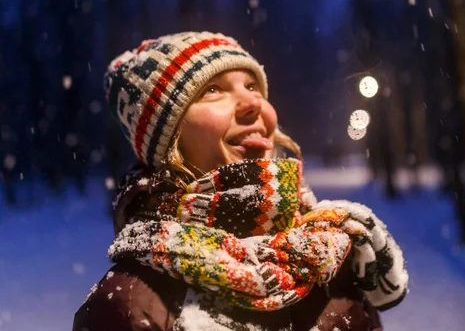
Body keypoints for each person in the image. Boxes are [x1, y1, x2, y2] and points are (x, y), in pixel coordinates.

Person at [73, 31, 408, 330]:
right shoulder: (129, 304)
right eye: (213, 90)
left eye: (252, 86)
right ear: (168, 140)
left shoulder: (328, 256)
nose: (252, 103)